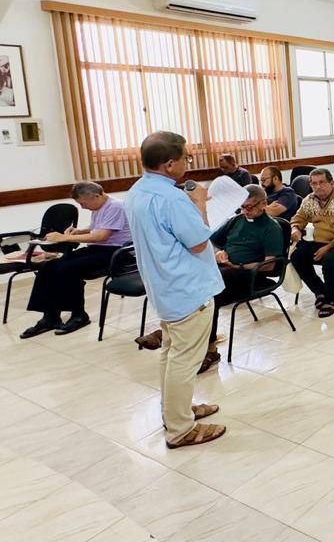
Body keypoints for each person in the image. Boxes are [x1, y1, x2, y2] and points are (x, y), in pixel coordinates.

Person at [125, 131, 226, 448]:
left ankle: (176, 412)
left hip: (165, 286)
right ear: (170, 164)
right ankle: (180, 429)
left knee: (171, 355)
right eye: (186, 157)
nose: (188, 163)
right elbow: (198, 243)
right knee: (184, 360)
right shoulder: (172, 198)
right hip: (187, 288)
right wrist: (199, 203)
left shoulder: (137, 191)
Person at [19, 181, 131, 339]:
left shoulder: (115, 206)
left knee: (68, 268)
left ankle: (79, 315)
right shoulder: (99, 206)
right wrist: (79, 231)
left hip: (116, 253)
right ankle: (50, 316)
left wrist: (64, 238)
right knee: (48, 267)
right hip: (100, 249)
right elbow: (97, 228)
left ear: (96, 196)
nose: (82, 207)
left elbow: (101, 236)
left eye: (83, 203)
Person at [200, 185, 283, 372]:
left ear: (263, 204)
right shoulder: (236, 220)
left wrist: (238, 266)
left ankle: (210, 349)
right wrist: (219, 252)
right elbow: (212, 241)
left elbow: (269, 265)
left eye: (249, 207)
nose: (245, 211)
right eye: (242, 207)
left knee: (211, 294)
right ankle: (176, 334)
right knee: (195, 282)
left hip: (251, 276)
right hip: (227, 269)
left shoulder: (271, 228)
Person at [289, 168, 334, 318]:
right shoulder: (310, 200)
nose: (318, 186)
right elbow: (298, 218)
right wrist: (295, 229)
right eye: (314, 183)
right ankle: (320, 291)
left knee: (329, 261)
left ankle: (330, 300)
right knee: (297, 256)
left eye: (322, 182)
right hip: (321, 241)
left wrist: (328, 247)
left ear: (332, 183)